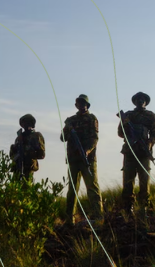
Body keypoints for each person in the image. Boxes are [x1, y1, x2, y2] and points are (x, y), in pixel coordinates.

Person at [61, 94, 102, 223]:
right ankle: (70, 219)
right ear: (76, 105)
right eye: (79, 103)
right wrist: (67, 129)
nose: (81, 105)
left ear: (87, 105)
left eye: (83, 103)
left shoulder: (91, 118)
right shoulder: (71, 120)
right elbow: (63, 138)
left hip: (88, 159)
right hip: (73, 159)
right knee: (72, 190)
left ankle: (98, 216)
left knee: (92, 187)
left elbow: (95, 138)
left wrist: (88, 151)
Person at [117, 92, 155, 215]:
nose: (140, 101)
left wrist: (150, 144)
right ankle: (127, 207)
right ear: (134, 102)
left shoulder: (151, 116)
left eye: (143, 99)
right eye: (138, 99)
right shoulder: (128, 115)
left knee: (144, 181)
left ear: (146, 102)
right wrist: (125, 125)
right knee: (128, 181)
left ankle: (143, 208)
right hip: (130, 152)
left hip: (143, 152)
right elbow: (120, 133)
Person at [10, 114, 46, 181]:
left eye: (27, 123)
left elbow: (42, 154)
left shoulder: (36, 136)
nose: (25, 125)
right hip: (17, 168)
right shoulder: (19, 137)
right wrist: (14, 148)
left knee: (26, 187)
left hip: (28, 167)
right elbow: (12, 155)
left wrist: (28, 154)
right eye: (24, 123)